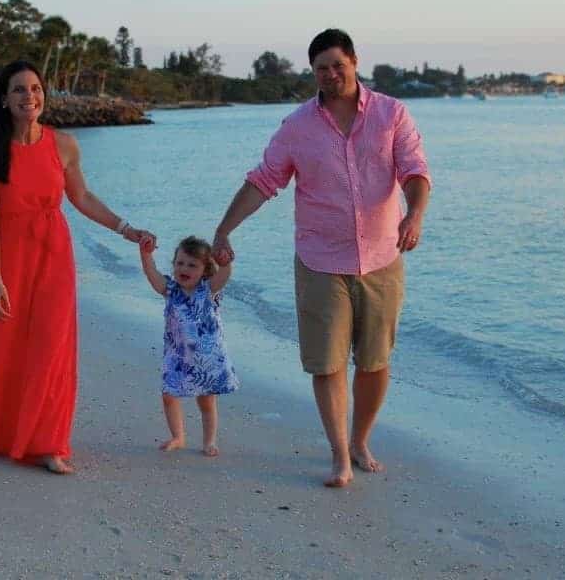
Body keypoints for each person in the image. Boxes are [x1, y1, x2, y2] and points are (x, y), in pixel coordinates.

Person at [213, 29, 431, 487]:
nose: (331, 75)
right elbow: (264, 180)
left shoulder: (392, 114)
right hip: (319, 261)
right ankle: (339, 455)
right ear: (312, 73)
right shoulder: (297, 127)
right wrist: (225, 227)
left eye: (338, 64)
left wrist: (415, 214)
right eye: (321, 69)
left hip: (381, 258)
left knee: (374, 362)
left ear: (354, 61)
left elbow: (414, 170)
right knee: (327, 363)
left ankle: (360, 440)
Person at [0, 60, 155, 474]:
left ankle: (48, 443)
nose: (30, 96)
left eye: (36, 88)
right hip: (7, 260)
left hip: (53, 258)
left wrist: (125, 228)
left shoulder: (63, 145)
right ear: (5, 100)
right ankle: (2, 433)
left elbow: (81, 197)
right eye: (19, 90)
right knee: (2, 350)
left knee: (51, 347)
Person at [139, 235, 239, 457]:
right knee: (169, 395)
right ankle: (178, 436)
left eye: (192, 265)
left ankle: (209, 441)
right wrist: (146, 255)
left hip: (207, 358)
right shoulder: (170, 290)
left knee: (206, 400)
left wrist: (225, 262)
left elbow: (224, 276)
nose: (184, 268)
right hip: (178, 357)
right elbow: (152, 275)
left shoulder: (208, 290)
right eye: (180, 263)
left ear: (204, 270)